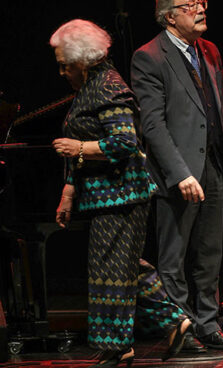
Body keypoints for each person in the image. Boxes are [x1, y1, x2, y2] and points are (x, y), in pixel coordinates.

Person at [131, 0, 223, 350]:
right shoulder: (149, 57)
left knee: (209, 255)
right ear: (169, 17)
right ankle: (181, 330)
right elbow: (153, 125)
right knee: (174, 258)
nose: (201, 9)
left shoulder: (209, 50)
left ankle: (208, 323)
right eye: (191, 5)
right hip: (179, 174)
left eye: (201, 2)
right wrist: (180, 174)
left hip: (214, 169)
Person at [50, 19, 192, 367]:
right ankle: (174, 322)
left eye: (64, 63)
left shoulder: (108, 86)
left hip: (122, 196)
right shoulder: (91, 86)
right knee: (123, 265)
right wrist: (69, 190)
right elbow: (80, 146)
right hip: (105, 195)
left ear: (82, 59)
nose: (61, 72)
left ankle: (117, 346)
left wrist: (79, 147)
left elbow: (125, 142)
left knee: (110, 270)